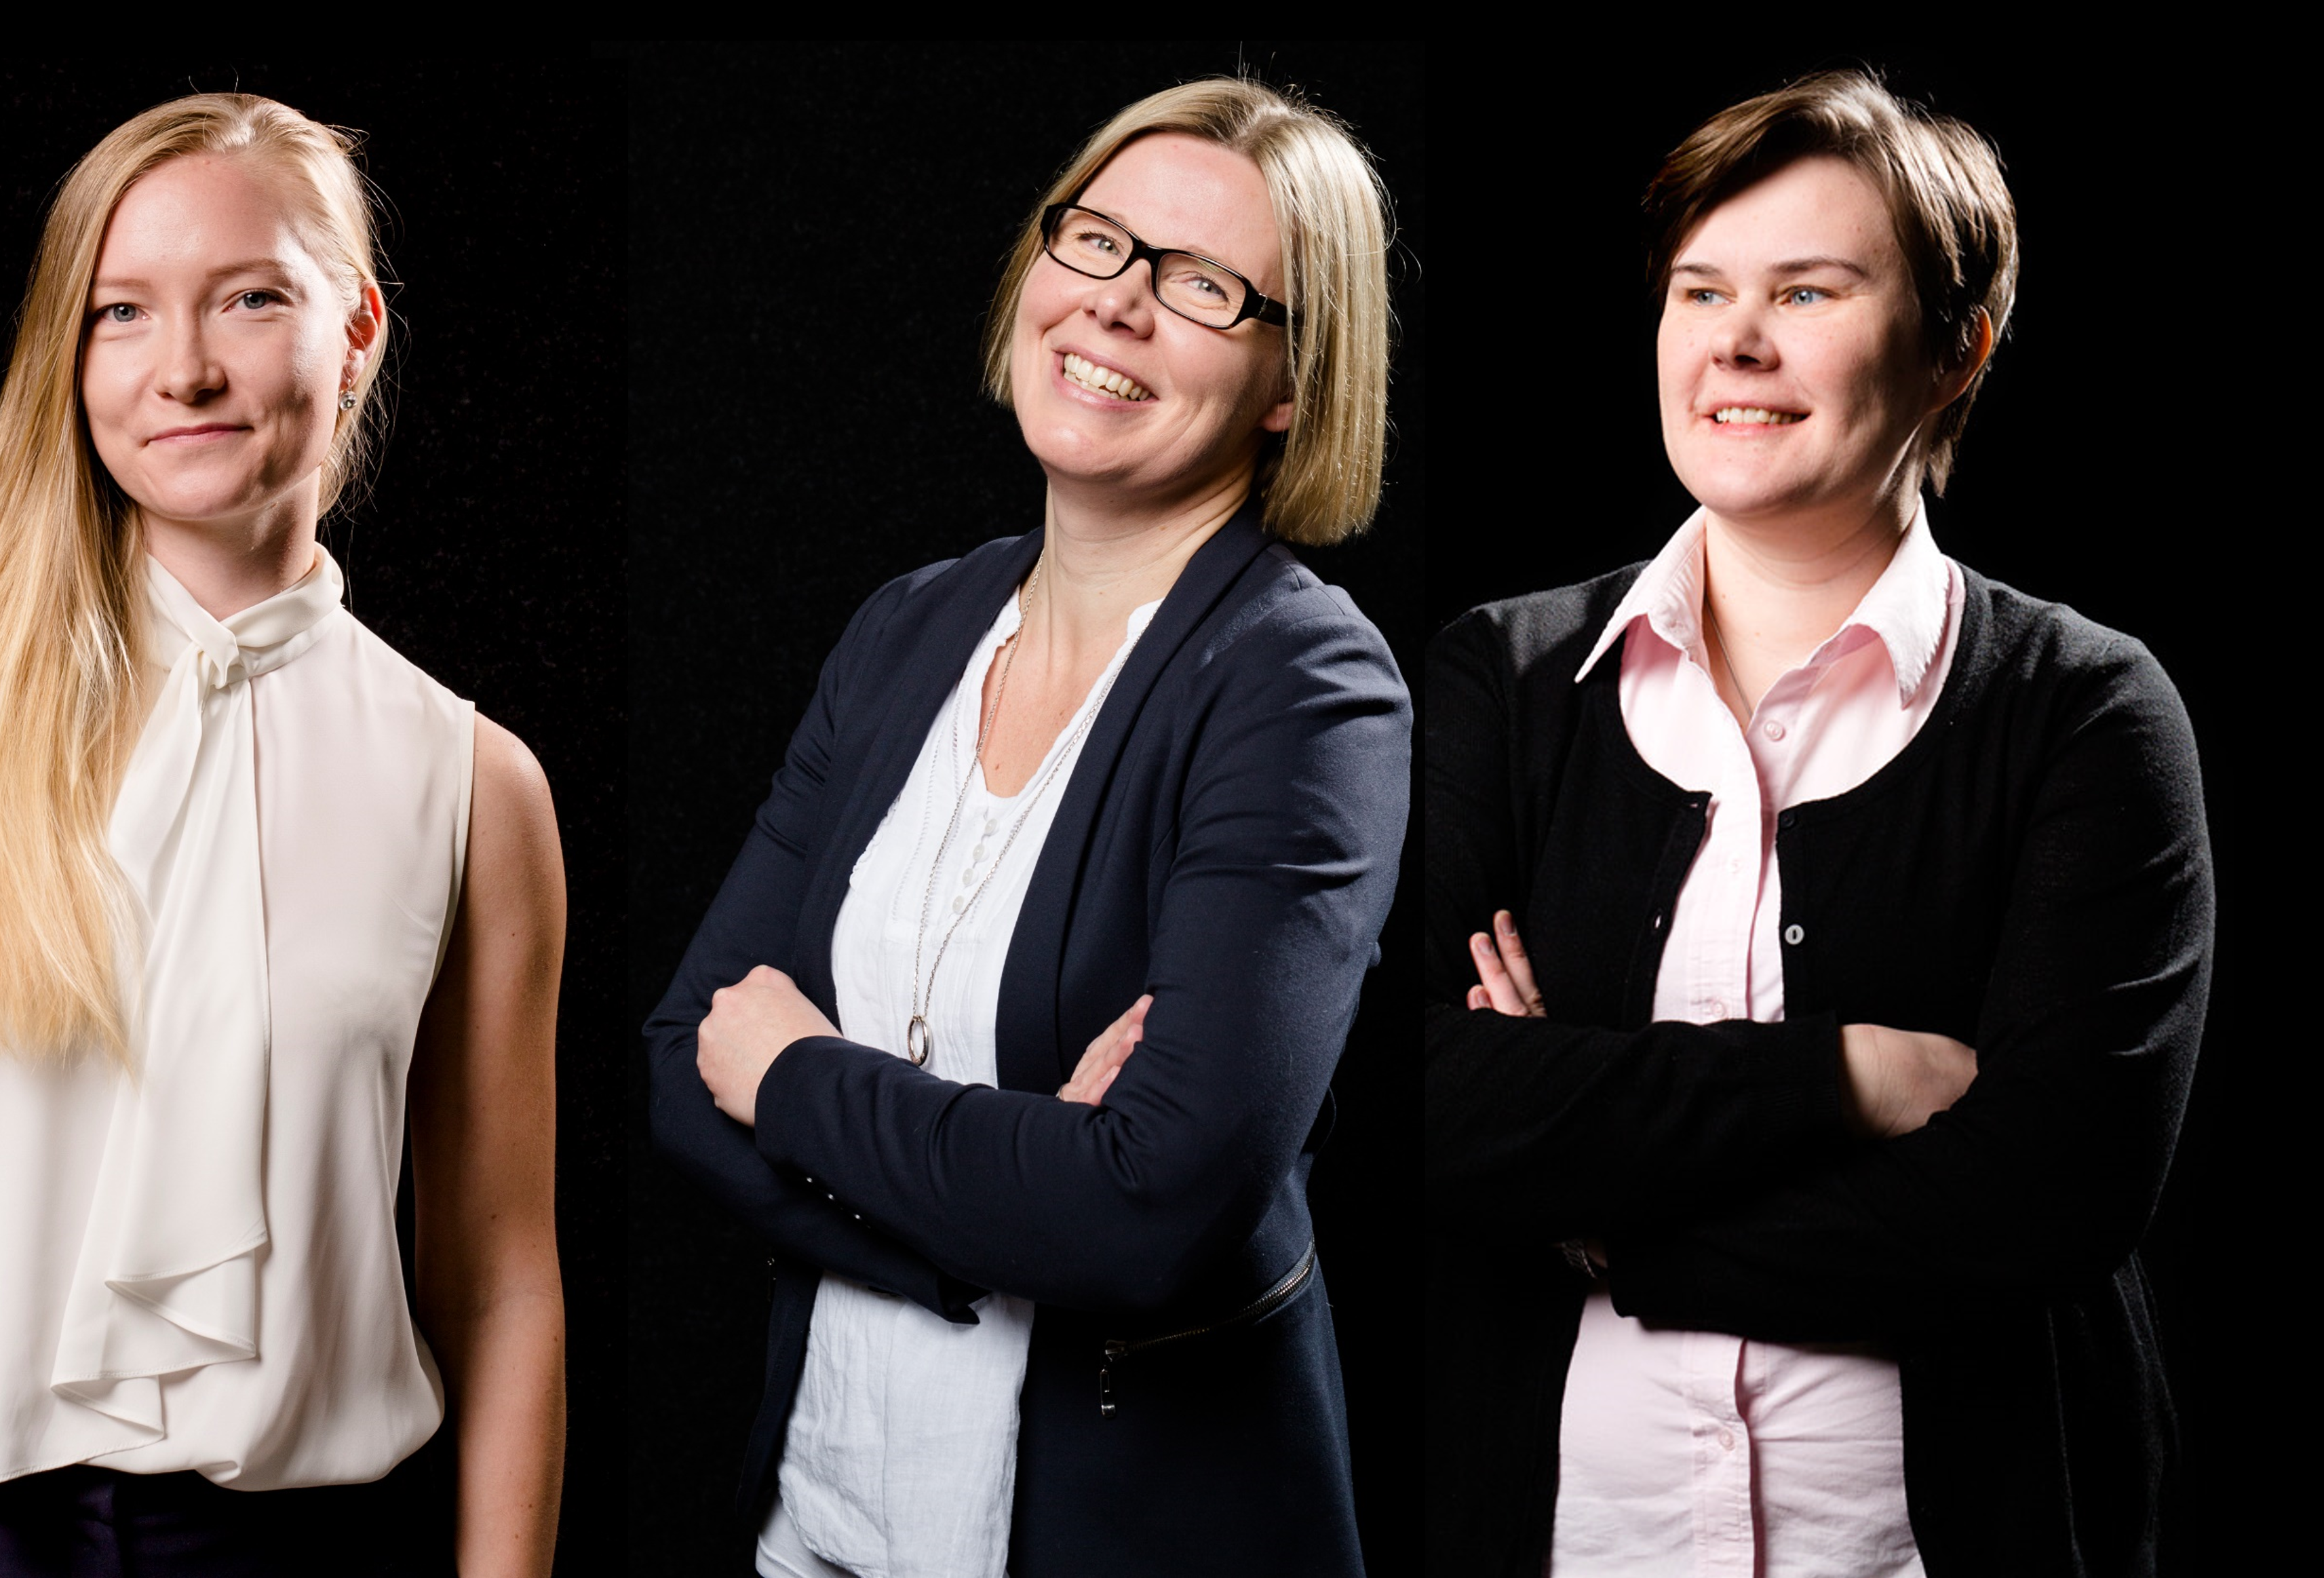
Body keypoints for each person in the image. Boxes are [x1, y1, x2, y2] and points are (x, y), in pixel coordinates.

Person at [0, 94, 566, 1577]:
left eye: (250, 298)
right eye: (121, 312)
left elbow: (500, 1278)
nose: (183, 368)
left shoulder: (475, 787)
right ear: (71, 351)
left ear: (355, 329)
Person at [1422, 70, 2212, 1575]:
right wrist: (1848, 1078)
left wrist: (1599, 1217)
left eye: (1807, 288)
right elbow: (1423, 1105)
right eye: (1699, 289)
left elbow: (2047, 1193)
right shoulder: (1502, 682)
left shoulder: (2089, 712)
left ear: (1953, 349)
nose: (1733, 340)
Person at [644, 77, 1405, 1577]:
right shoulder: (911, 624)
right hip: (814, 1522)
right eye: (1098, 242)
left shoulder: (1303, 687)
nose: (1117, 306)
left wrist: (794, 1073)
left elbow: (1143, 1210)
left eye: (1202, 285)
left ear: (1292, 385)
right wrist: (995, 1201)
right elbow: (679, 1058)